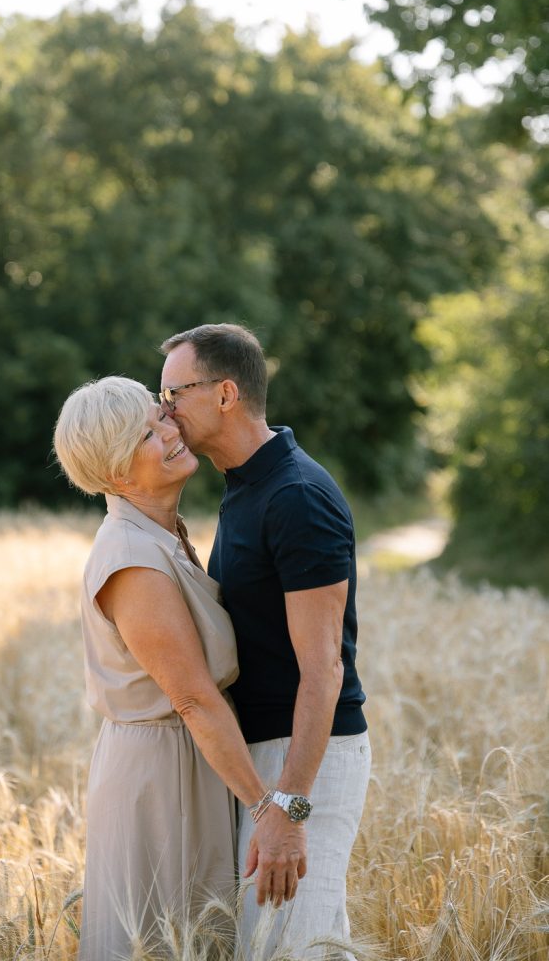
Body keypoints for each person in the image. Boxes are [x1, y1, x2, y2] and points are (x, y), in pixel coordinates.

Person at [52, 376, 301, 960]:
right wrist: (269, 810)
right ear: (116, 474)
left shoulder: (160, 535)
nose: (170, 430)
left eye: (161, 415)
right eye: (147, 433)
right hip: (161, 780)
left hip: (191, 762)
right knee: (168, 939)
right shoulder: (133, 558)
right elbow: (192, 698)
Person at [159, 324, 371, 960]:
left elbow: (324, 669)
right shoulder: (245, 483)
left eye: (173, 393)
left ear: (225, 393)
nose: (162, 409)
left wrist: (290, 806)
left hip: (306, 758)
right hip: (266, 761)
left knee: (289, 948)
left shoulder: (296, 497)